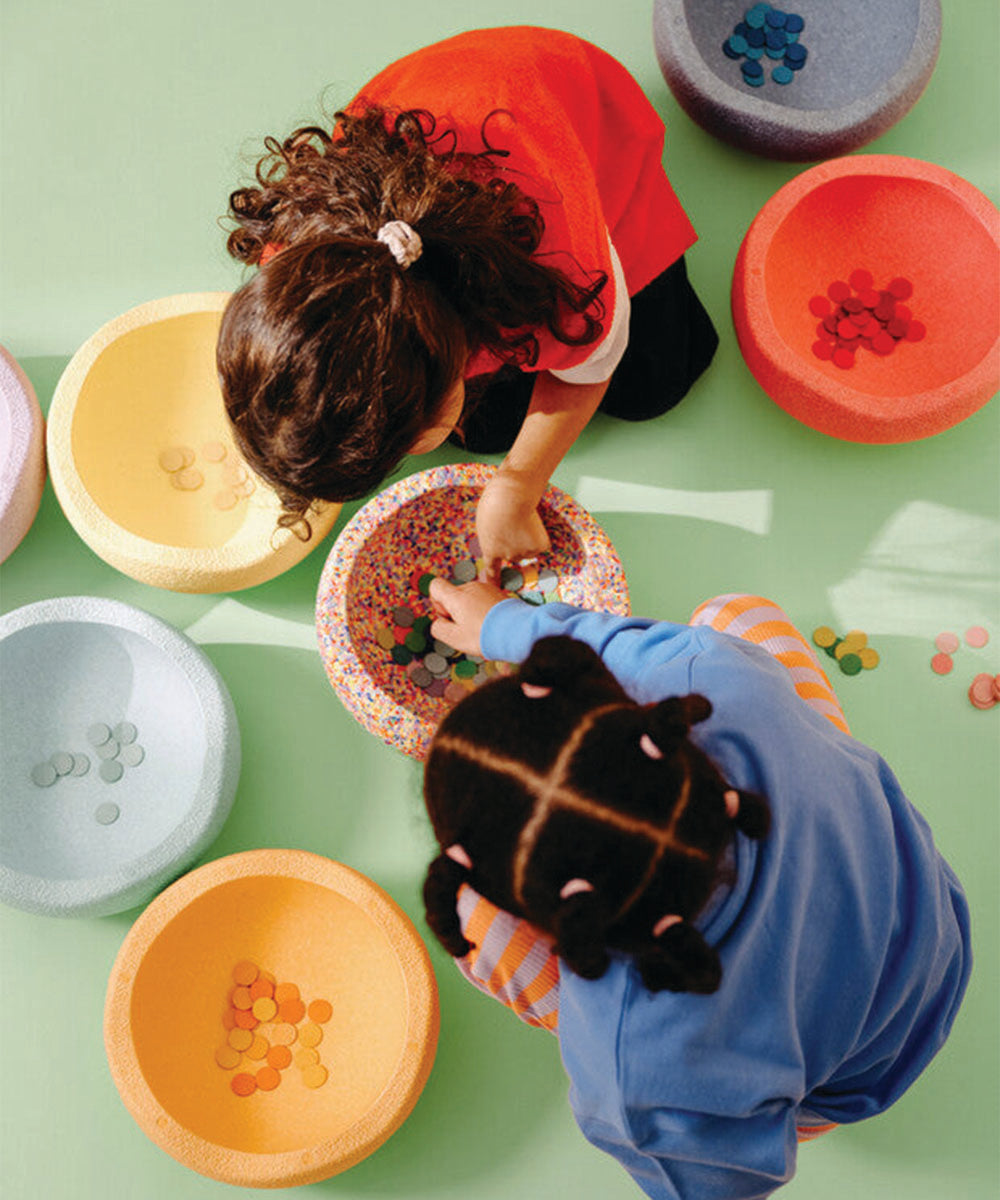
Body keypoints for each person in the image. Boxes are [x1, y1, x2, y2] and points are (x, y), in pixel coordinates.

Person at [420, 579, 972, 1199]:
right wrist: (508, 625)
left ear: (559, 918)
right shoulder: (712, 679)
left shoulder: (637, 1068)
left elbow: (714, 1188)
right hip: (931, 920)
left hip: (849, 1076)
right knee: (734, 616)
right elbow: (622, 649)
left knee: (472, 921)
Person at [216, 27, 717, 573]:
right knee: (483, 434)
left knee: (656, 384)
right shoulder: (293, 258)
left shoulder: (563, 271)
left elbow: (597, 356)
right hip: (443, 135)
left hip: (586, 121)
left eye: (408, 443)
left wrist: (519, 485)